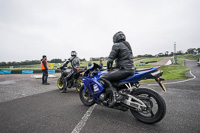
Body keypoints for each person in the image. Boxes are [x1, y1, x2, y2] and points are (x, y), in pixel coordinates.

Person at [100, 31, 135, 107]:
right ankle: (119, 93)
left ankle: (115, 95)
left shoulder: (116, 45)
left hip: (124, 70)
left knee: (103, 77)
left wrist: (108, 68)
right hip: (131, 70)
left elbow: (110, 60)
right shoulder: (127, 45)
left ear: (115, 38)